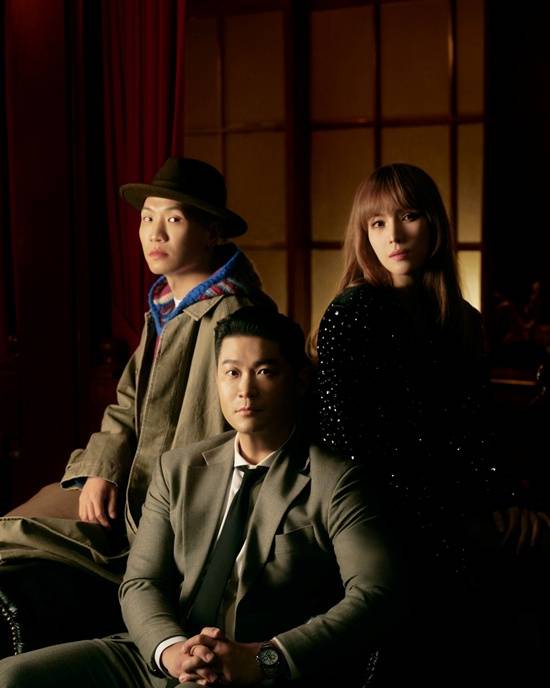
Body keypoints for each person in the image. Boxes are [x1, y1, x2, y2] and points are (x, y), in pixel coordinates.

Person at [0, 307, 399, 687]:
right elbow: (142, 581)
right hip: (163, 653)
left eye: (264, 372)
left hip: (252, 666)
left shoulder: (337, 480)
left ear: (299, 380)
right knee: (11, 677)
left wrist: (265, 658)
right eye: (232, 373)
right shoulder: (179, 469)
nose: (245, 390)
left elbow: (374, 594)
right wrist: (171, 649)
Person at [0, 158, 274, 647]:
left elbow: (234, 432)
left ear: (211, 233)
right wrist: (101, 470)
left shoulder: (233, 315)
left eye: (174, 219)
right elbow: (127, 402)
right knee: (16, 527)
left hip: (178, 506)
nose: (154, 233)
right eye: (147, 218)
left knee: (35, 539)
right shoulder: (166, 306)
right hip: (129, 484)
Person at [312, 162, 549, 683]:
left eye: (408, 217)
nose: (393, 236)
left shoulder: (462, 319)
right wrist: (457, 519)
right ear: (363, 234)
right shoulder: (352, 314)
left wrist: (505, 502)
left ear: (434, 223)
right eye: (377, 223)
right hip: (380, 516)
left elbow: (478, 430)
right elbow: (348, 447)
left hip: (457, 509)